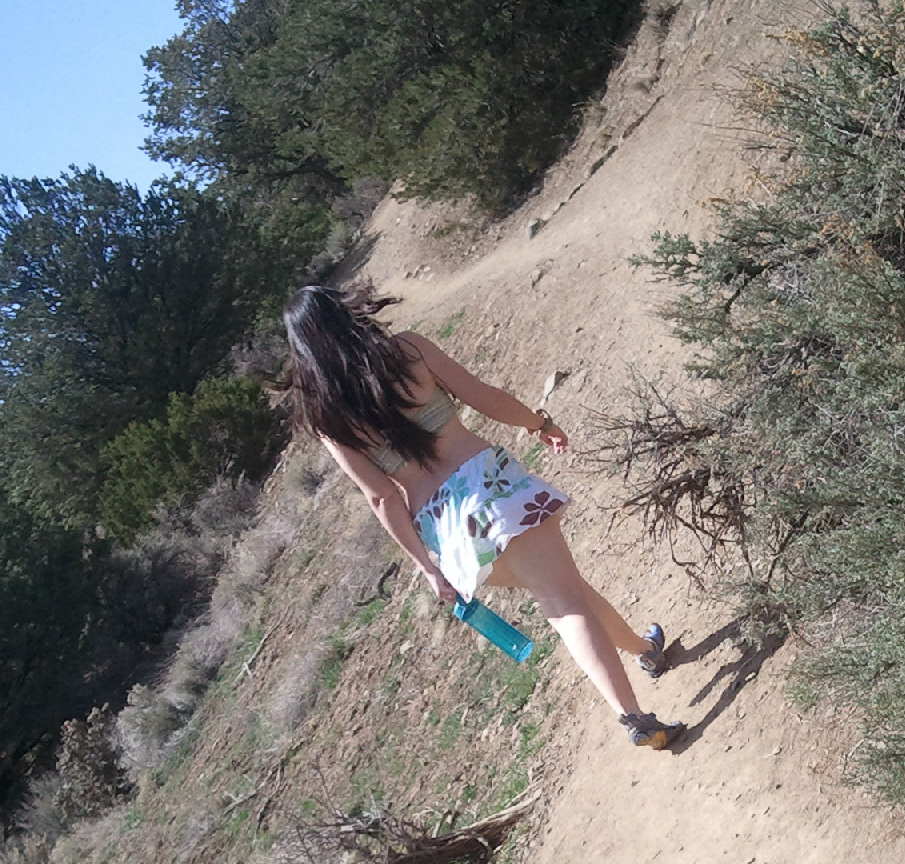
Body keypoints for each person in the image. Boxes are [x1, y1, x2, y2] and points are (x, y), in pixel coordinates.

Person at [282, 284, 685, 748]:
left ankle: (643, 649)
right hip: (489, 488)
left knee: (562, 589)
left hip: (444, 529)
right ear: (343, 315)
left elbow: (382, 499)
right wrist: (540, 423)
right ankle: (632, 717)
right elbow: (484, 397)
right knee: (562, 601)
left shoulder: (330, 420)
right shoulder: (407, 351)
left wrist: (428, 568)